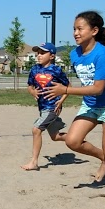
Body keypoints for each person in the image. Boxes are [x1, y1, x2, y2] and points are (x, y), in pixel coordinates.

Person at [41, 10, 105, 192]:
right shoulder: (75, 54)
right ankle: (104, 159)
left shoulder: (102, 54)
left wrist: (66, 90)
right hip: (91, 103)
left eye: (80, 29)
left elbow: (98, 88)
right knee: (73, 141)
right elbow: (85, 83)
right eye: (74, 29)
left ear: (94, 31)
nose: (75, 33)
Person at [21, 43, 70, 171]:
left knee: (36, 130)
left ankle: (34, 162)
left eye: (43, 53)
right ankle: (75, 137)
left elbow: (68, 87)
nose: (39, 55)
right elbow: (29, 86)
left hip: (53, 107)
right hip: (42, 108)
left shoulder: (57, 70)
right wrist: (33, 92)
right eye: (38, 53)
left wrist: (61, 101)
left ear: (52, 56)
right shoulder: (34, 70)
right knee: (55, 137)